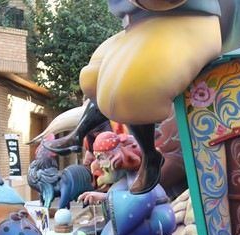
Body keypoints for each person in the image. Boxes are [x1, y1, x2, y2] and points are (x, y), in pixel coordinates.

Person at [44, 0, 221, 195]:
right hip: (138, 26)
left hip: (187, 18)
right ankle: (79, 135)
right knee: (92, 77)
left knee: (125, 90)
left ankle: (149, 155)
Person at [79, 131, 175, 235]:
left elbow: (141, 198)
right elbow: (124, 195)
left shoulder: (142, 177)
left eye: (101, 158)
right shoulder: (131, 176)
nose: (99, 164)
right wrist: (104, 197)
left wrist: (107, 198)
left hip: (158, 218)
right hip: (146, 216)